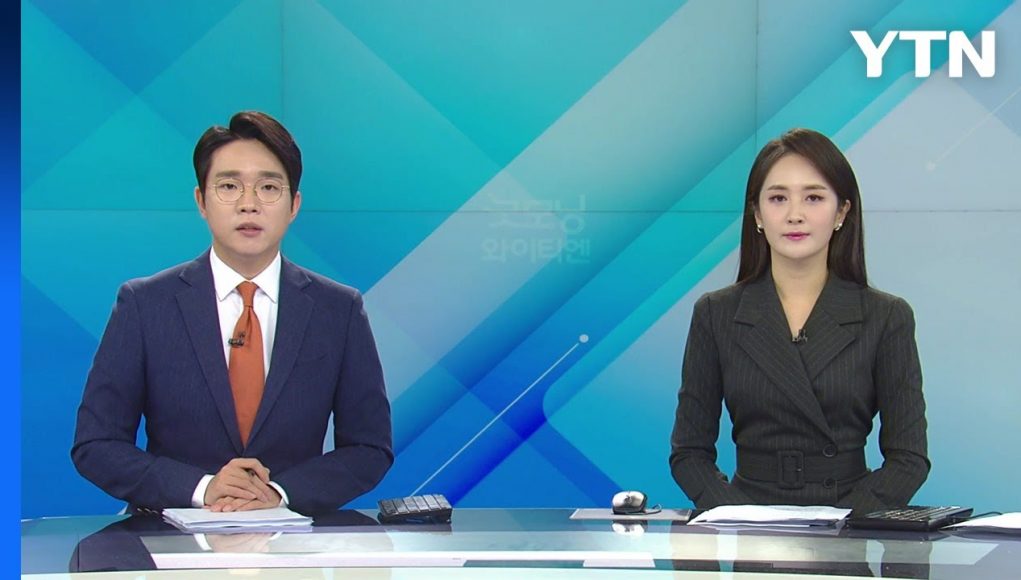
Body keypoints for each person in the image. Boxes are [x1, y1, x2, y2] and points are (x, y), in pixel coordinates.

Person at [72, 111, 393, 516]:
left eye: (269, 187)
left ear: (294, 205)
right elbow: (96, 444)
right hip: (168, 534)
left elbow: (369, 447)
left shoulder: (338, 310)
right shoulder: (145, 304)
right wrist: (203, 488)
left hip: (292, 539)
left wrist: (278, 493)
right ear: (201, 201)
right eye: (228, 186)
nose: (248, 204)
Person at [669, 128, 929, 514]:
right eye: (778, 198)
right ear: (757, 214)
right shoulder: (715, 313)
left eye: (813, 197)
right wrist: (739, 518)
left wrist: (847, 523)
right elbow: (689, 453)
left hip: (848, 521)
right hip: (747, 522)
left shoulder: (887, 317)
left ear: (841, 212)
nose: (795, 215)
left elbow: (909, 459)